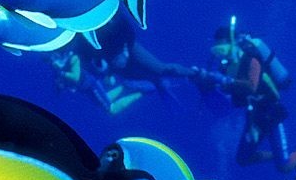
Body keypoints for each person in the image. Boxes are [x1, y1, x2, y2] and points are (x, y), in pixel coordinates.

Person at [50, 13, 200, 115]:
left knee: (161, 69)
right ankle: (157, 85)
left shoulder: (108, 16)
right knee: (142, 78)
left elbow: (127, 29)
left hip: (128, 48)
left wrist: (125, 49)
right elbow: (88, 58)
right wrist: (107, 71)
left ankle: (195, 73)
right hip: (113, 62)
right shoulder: (79, 36)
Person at [200, 20, 293, 170]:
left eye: (222, 48)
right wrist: (206, 85)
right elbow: (228, 98)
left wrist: (223, 80)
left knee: (284, 166)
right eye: (217, 51)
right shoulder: (227, 67)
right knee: (243, 158)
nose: (221, 55)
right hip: (254, 115)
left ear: (232, 43)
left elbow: (252, 87)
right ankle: (280, 155)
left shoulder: (250, 57)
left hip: (271, 112)